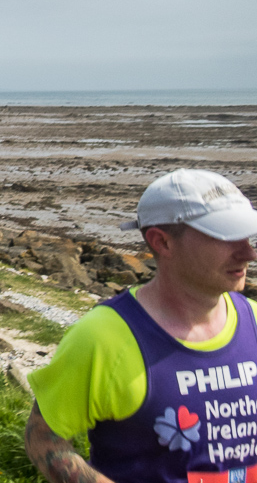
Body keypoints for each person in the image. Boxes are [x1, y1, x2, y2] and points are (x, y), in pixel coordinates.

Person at [25, 169, 257, 483]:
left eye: (247, 235)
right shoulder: (103, 338)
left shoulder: (254, 321)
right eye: (226, 236)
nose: (248, 253)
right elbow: (42, 438)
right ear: (162, 242)